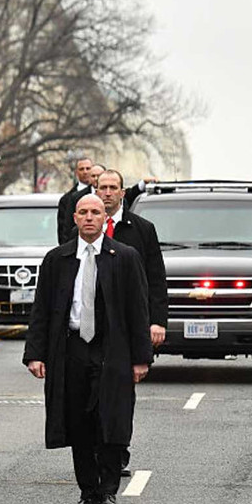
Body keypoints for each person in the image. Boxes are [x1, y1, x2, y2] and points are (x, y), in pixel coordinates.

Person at [22, 194, 152, 504]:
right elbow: (41, 311)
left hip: (113, 349)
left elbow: (138, 310)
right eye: (84, 212)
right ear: (75, 218)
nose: (90, 217)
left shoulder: (124, 257)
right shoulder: (57, 259)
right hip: (72, 348)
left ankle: (108, 492)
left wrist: (141, 358)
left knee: (110, 420)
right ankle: (88, 491)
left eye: (96, 212)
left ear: (105, 217)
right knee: (78, 422)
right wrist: (35, 354)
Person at [94, 169, 167, 477]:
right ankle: (97, 451)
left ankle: (118, 450)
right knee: (91, 393)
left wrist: (156, 321)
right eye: (102, 188)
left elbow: (155, 278)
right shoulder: (85, 229)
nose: (107, 193)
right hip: (92, 325)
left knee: (121, 395)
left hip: (126, 326)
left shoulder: (141, 229)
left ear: (123, 193)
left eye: (113, 188)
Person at [57, 157, 95, 243]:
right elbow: (63, 230)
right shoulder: (66, 199)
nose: (85, 172)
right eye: (81, 169)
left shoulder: (104, 195)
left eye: (88, 168)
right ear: (76, 172)